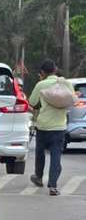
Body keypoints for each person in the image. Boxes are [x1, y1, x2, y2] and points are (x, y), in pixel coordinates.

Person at [28, 59, 76, 195]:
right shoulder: (65, 83)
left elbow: (32, 102)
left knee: (40, 152)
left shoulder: (41, 84)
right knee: (56, 155)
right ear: (55, 70)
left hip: (43, 125)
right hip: (59, 126)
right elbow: (71, 100)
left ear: (42, 72)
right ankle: (53, 186)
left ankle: (38, 176)